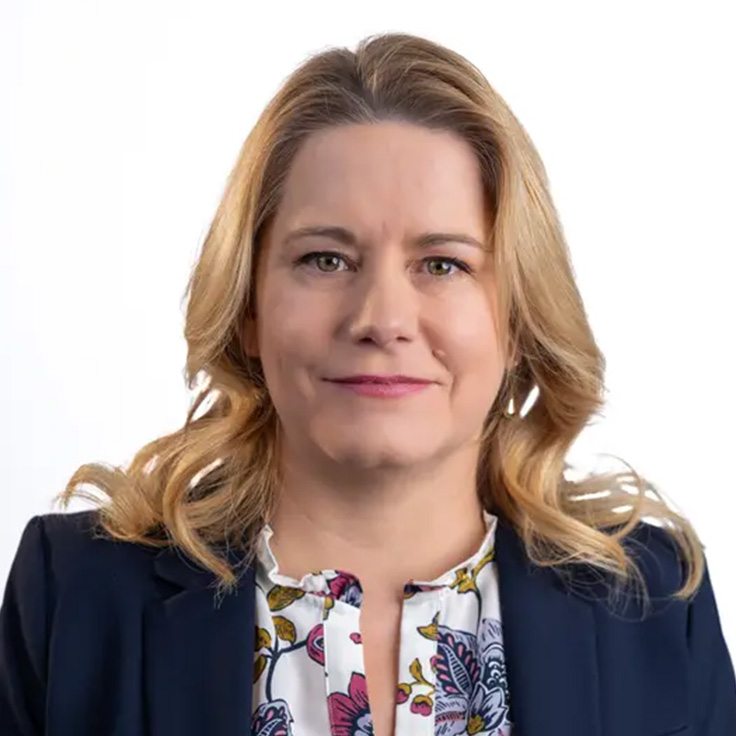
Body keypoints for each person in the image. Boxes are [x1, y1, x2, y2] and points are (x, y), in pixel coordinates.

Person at [1, 31, 734, 736]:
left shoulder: (656, 605)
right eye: (326, 260)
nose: (382, 320)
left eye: (442, 264)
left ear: (517, 321)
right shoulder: (74, 596)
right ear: (249, 306)